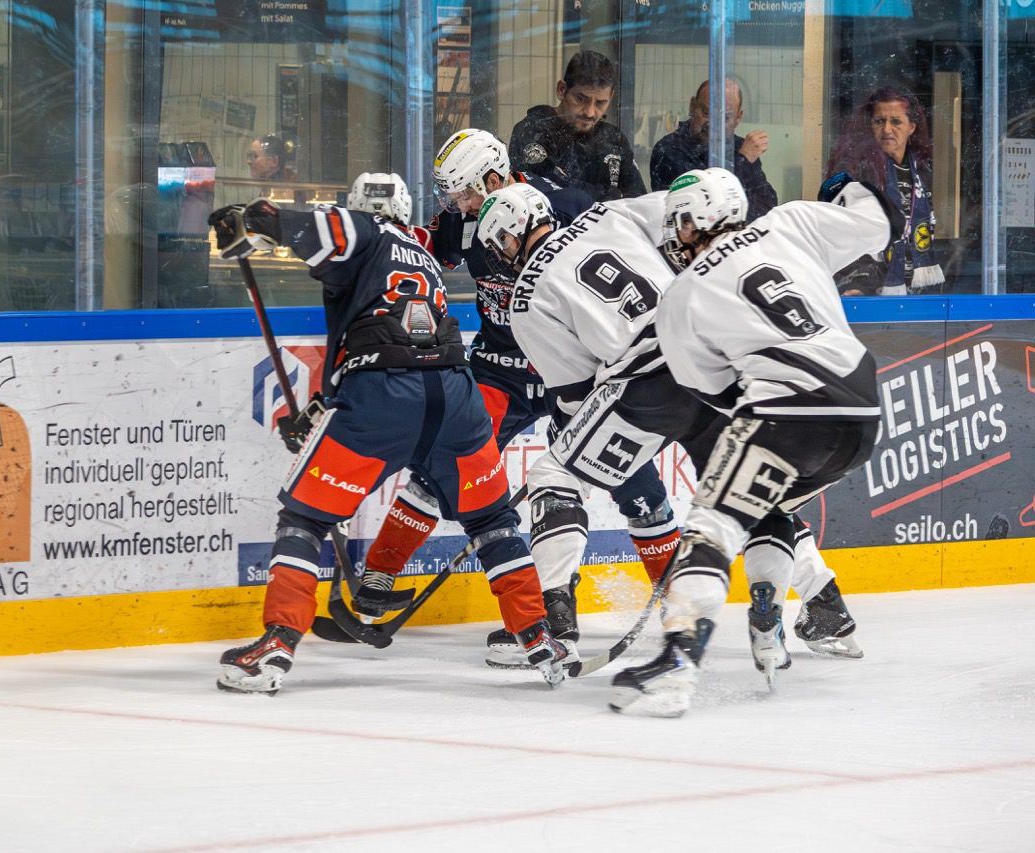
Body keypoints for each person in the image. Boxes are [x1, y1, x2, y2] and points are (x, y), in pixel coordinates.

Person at [476, 181, 864, 683]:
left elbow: (575, 393)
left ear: (507, 239)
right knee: (746, 491)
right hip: (712, 351)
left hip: (647, 385)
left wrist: (575, 440)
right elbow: (683, 223)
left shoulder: (526, 297)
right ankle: (824, 606)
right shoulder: (610, 213)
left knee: (557, 475)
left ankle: (554, 624)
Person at [208, 194, 570, 694]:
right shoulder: (422, 251)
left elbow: (314, 230)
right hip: (457, 396)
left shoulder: (368, 229)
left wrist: (251, 219)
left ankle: (277, 643)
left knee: (305, 520)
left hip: (382, 394)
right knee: (492, 522)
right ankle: (537, 637)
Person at [361, 129, 681, 671]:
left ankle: (679, 604)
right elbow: (418, 247)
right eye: (454, 198)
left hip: (574, 371)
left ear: (493, 178)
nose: (461, 208)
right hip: (500, 371)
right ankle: (379, 576)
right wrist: (372, 235)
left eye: (466, 194)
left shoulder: (565, 206)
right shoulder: (466, 219)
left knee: (635, 482)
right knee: (443, 463)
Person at [606, 167, 900, 717]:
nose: (675, 235)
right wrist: (848, 182)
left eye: (679, 223)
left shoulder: (681, 295)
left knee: (712, 525)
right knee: (768, 508)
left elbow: (712, 390)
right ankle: (772, 620)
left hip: (785, 411)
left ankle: (676, 662)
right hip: (862, 409)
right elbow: (883, 222)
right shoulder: (792, 222)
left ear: (695, 220)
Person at [825, 86, 943, 295]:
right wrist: (857, 284)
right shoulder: (854, 170)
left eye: (896, 122)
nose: (887, 129)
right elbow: (839, 233)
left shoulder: (921, 170)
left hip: (916, 290)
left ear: (911, 127)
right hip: (866, 291)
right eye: (879, 121)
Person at [508, 51, 647, 202]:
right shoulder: (532, 132)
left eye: (600, 103)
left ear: (611, 97)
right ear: (562, 90)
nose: (590, 112)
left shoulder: (614, 139)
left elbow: (638, 200)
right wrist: (613, 195)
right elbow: (545, 193)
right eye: (581, 99)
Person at [649, 78, 778, 221]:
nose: (713, 124)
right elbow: (702, 213)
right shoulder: (669, 149)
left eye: (725, 118)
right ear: (692, 107)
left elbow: (767, 205)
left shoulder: (739, 146)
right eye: (707, 113)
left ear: (738, 118)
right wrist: (742, 161)